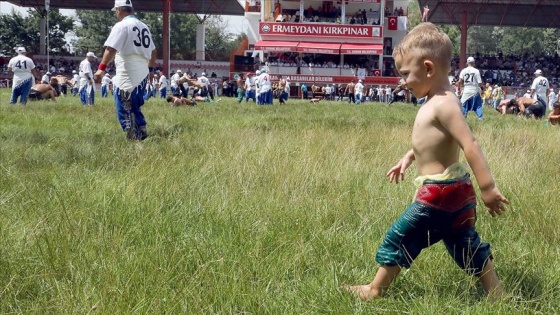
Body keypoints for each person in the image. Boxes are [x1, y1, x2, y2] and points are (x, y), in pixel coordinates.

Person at [345, 22, 508, 301]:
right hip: (454, 194)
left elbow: (469, 144)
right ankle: (497, 293)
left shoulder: (444, 103)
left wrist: (488, 187)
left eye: (407, 74)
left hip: (438, 195)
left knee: (401, 235)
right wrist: (407, 158)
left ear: (429, 68)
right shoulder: (434, 100)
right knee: (465, 243)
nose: (403, 81)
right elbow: (429, 143)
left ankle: (375, 290)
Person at [94, 0, 157, 141]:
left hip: (128, 71)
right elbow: (153, 52)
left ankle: (133, 137)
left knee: (124, 105)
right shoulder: (143, 26)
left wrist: (101, 69)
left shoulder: (121, 26)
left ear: (119, 10)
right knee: (134, 104)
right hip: (142, 72)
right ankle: (142, 129)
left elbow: (111, 49)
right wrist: (151, 70)